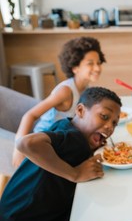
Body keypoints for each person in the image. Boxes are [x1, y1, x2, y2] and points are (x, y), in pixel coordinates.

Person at [0, 87, 121, 221]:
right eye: (104, 116)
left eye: (115, 123)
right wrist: (75, 174)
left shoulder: (66, 126)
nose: (110, 126)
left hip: (12, 217)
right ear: (80, 110)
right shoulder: (73, 138)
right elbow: (25, 144)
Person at [12, 36, 106, 167]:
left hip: (61, 139)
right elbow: (30, 115)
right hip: (43, 143)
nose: (97, 68)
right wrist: (18, 149)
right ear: (75, 67)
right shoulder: (65, 92)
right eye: (90, 63)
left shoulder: (86, 89)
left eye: (99, 62)